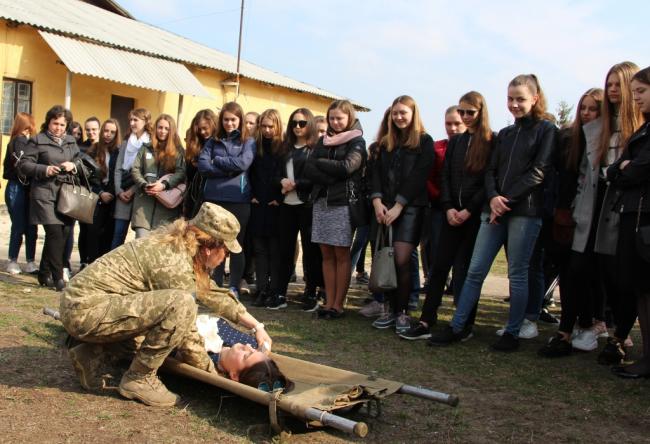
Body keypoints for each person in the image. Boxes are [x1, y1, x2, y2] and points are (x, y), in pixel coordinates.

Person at [60, 202, 274, 407]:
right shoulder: (173, 263)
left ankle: (92, 354)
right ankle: (139, 378)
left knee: (156, 327)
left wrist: (257, 326)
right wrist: (213, 371)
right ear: (210, 247)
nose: (225, 257)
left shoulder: (179, 248)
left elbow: (211, 293)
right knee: (181, 307)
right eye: (225, 252)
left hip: (86, 305)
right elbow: (187, 336)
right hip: (86, 311)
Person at [430, 74, 557, 352]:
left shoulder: (546, 130)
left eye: (520, 99)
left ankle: (512, 332)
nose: (514, 104)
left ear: (535, 98)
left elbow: (539, 171)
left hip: (524, 211)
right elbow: (491, 171)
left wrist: (506, 199)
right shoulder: (506, 134)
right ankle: (457, 326)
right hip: (494, 209)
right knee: (475, 270)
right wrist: (493, 197)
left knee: (517, 273)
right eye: (510, 99)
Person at [401, 92, 493, 341]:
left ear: (480, 112)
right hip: (450, 213)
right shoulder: (456, 143)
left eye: (469, 112)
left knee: (465, 270)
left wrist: (468, 210)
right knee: (439, 267)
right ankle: (426, 320)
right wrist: (449, 206)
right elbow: (445, 178)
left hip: (474, 216)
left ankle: (463, 324)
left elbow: (487, 181)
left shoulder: (491, 141)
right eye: (462, 112)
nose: (465, 117)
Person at [569, 62, 642, 364]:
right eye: (608, 84)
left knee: (621, 277)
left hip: (626, 209)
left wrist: (619, 171)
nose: (612, 89)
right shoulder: (599, 128)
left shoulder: (640, 126)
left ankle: (619, 335)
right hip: (595, 209)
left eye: (617, 84)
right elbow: (588, 173)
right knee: (584, 269)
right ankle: (593, 326)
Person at [538, 88, 605, 357]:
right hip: (566, 217)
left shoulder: (605, 140)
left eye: (593, 109)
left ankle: (589, 325)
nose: (586, 113)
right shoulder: (568, 137)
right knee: (569, 272)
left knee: (586, 273)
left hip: (595, 219)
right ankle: (567, 331)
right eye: (583, 108)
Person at [369, 95, 434, 333]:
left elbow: (419, 176)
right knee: (386, 258)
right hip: (384, 207)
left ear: (413, 114)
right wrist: (377, 202)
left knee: (402, 260)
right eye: (395, 113)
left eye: (403, 113)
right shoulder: (384, 143)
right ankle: (388, 308)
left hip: (411, 209)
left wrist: (399, 205)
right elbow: (375, 174)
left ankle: (402, 312)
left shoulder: (424, 141)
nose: (398, 117)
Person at [304, 100, 366, 319]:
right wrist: (332, 175)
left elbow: (348, 167)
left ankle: (338, 305)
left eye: (340, 118)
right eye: (332, 118)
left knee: (341, 255)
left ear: (349, 118)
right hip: (321, 202)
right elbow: (308, 168)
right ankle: (328, 302)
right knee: (326, 255)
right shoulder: (323, 140)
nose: (335, 122)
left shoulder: (357, 141)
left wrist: (321, 163)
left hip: (343, 203)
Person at [607, 66, 650, 378]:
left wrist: (625, 168)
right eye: (633, 92)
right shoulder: (643, 130)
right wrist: (622, 167)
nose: (635, 98)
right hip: (634, 215)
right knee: (640, 289)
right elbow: (615, 171)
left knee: (646, 288)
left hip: (644, 218)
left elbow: (636, 171)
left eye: (641, 91)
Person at [18, 105, 89, 291]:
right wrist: (45, 169)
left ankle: (43, 272)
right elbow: (24, 165)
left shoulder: (71, 141)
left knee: (63, 233)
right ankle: (58, 279)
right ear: (48, 122)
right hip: (44, 193)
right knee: (54, 232)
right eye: (55, 123)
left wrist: (73, 165)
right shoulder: (37, 140)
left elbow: (80, 161)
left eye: (62, 124)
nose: (58, 128)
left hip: (65, 194)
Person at [198, 102, 255, 299]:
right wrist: (228, 170)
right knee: (214, 245)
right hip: (214, 199)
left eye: (233, 119)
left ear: (240, 120)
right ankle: (215, 285)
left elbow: (243, 163)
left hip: (238, 200)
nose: (229, 123)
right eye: (226, 120)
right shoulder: (212, 142)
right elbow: (203, 166)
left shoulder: (248, 142)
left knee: (235, 245)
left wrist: (218, 162)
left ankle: (233, 288)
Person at [274, 108, 324, 311]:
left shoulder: (316, 149)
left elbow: (317, 177)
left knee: (311, 252)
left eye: (302, 123)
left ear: (309, 124)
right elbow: (275, 174)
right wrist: (281, 181)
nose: (297, 127)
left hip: (307, 205)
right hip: (286, 204)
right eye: (294, 123)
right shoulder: (284, 147)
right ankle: (280, 293)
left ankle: (310, 292)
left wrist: (296, 184)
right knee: (284, 250)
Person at [248, 109, 285, 309]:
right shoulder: (255, 146)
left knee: (274, 250)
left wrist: (279, 198)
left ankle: (274, 290)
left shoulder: (284, 148)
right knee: (259, 250)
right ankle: (261, 289)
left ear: (278, 126)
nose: (267, 130)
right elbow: (249, 173)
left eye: (271, 126)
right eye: (264, 126)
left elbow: (286, 175)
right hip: (257, 203)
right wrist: (251, 195)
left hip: (276, 205)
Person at [130, 114, 186, 238]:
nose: (163, 131)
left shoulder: (179, 151)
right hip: (143, 206)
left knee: (158, 246)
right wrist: (144, 184)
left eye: (167, 128)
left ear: (172, 131)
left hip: (166, 211)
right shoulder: (145, 148)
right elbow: (135, 169)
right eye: (160, 127)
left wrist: (164, 185)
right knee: (141, 243)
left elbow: (181, 172)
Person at [3, 112, 38, 275]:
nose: (29, 131)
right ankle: (16, 261)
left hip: (23, 188)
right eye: (28, 127)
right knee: (21, 225)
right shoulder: (19, 141)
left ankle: (23, 261)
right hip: (17, 188)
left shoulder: (18, 141)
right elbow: (21, 165)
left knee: (28, 226)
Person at [111, 108, 152, 249]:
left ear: (145, 121)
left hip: (140, 194)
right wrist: (118, 191)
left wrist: (133, 190)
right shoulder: (126, 142)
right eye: (131, 120)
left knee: (140, 237)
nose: (132, 123)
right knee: (118, 234)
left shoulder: (150, 144)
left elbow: (148, 171)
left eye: (136, 120)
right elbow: (118, 168)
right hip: (123, 193)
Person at [83, 119, 121, 263]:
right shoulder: (93, 150)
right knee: (92, 233)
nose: (108, 134)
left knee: (108, 234)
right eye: (106, 131)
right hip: (95, 196)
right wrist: (100, 193)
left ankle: (103, 266)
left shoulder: (119, 151)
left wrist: (112, 193)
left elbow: (120, 174)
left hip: (113, 197)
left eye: (112, 132)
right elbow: (86, 177)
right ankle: (90, 263)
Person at [183, 109, 217, 219]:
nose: (202, 132)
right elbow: (189, 175)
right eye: (199, 129)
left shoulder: (220, 143)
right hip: (195, 195)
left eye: (205, 128)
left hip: (212, 196)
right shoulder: (196, 143)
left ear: (213, 124)